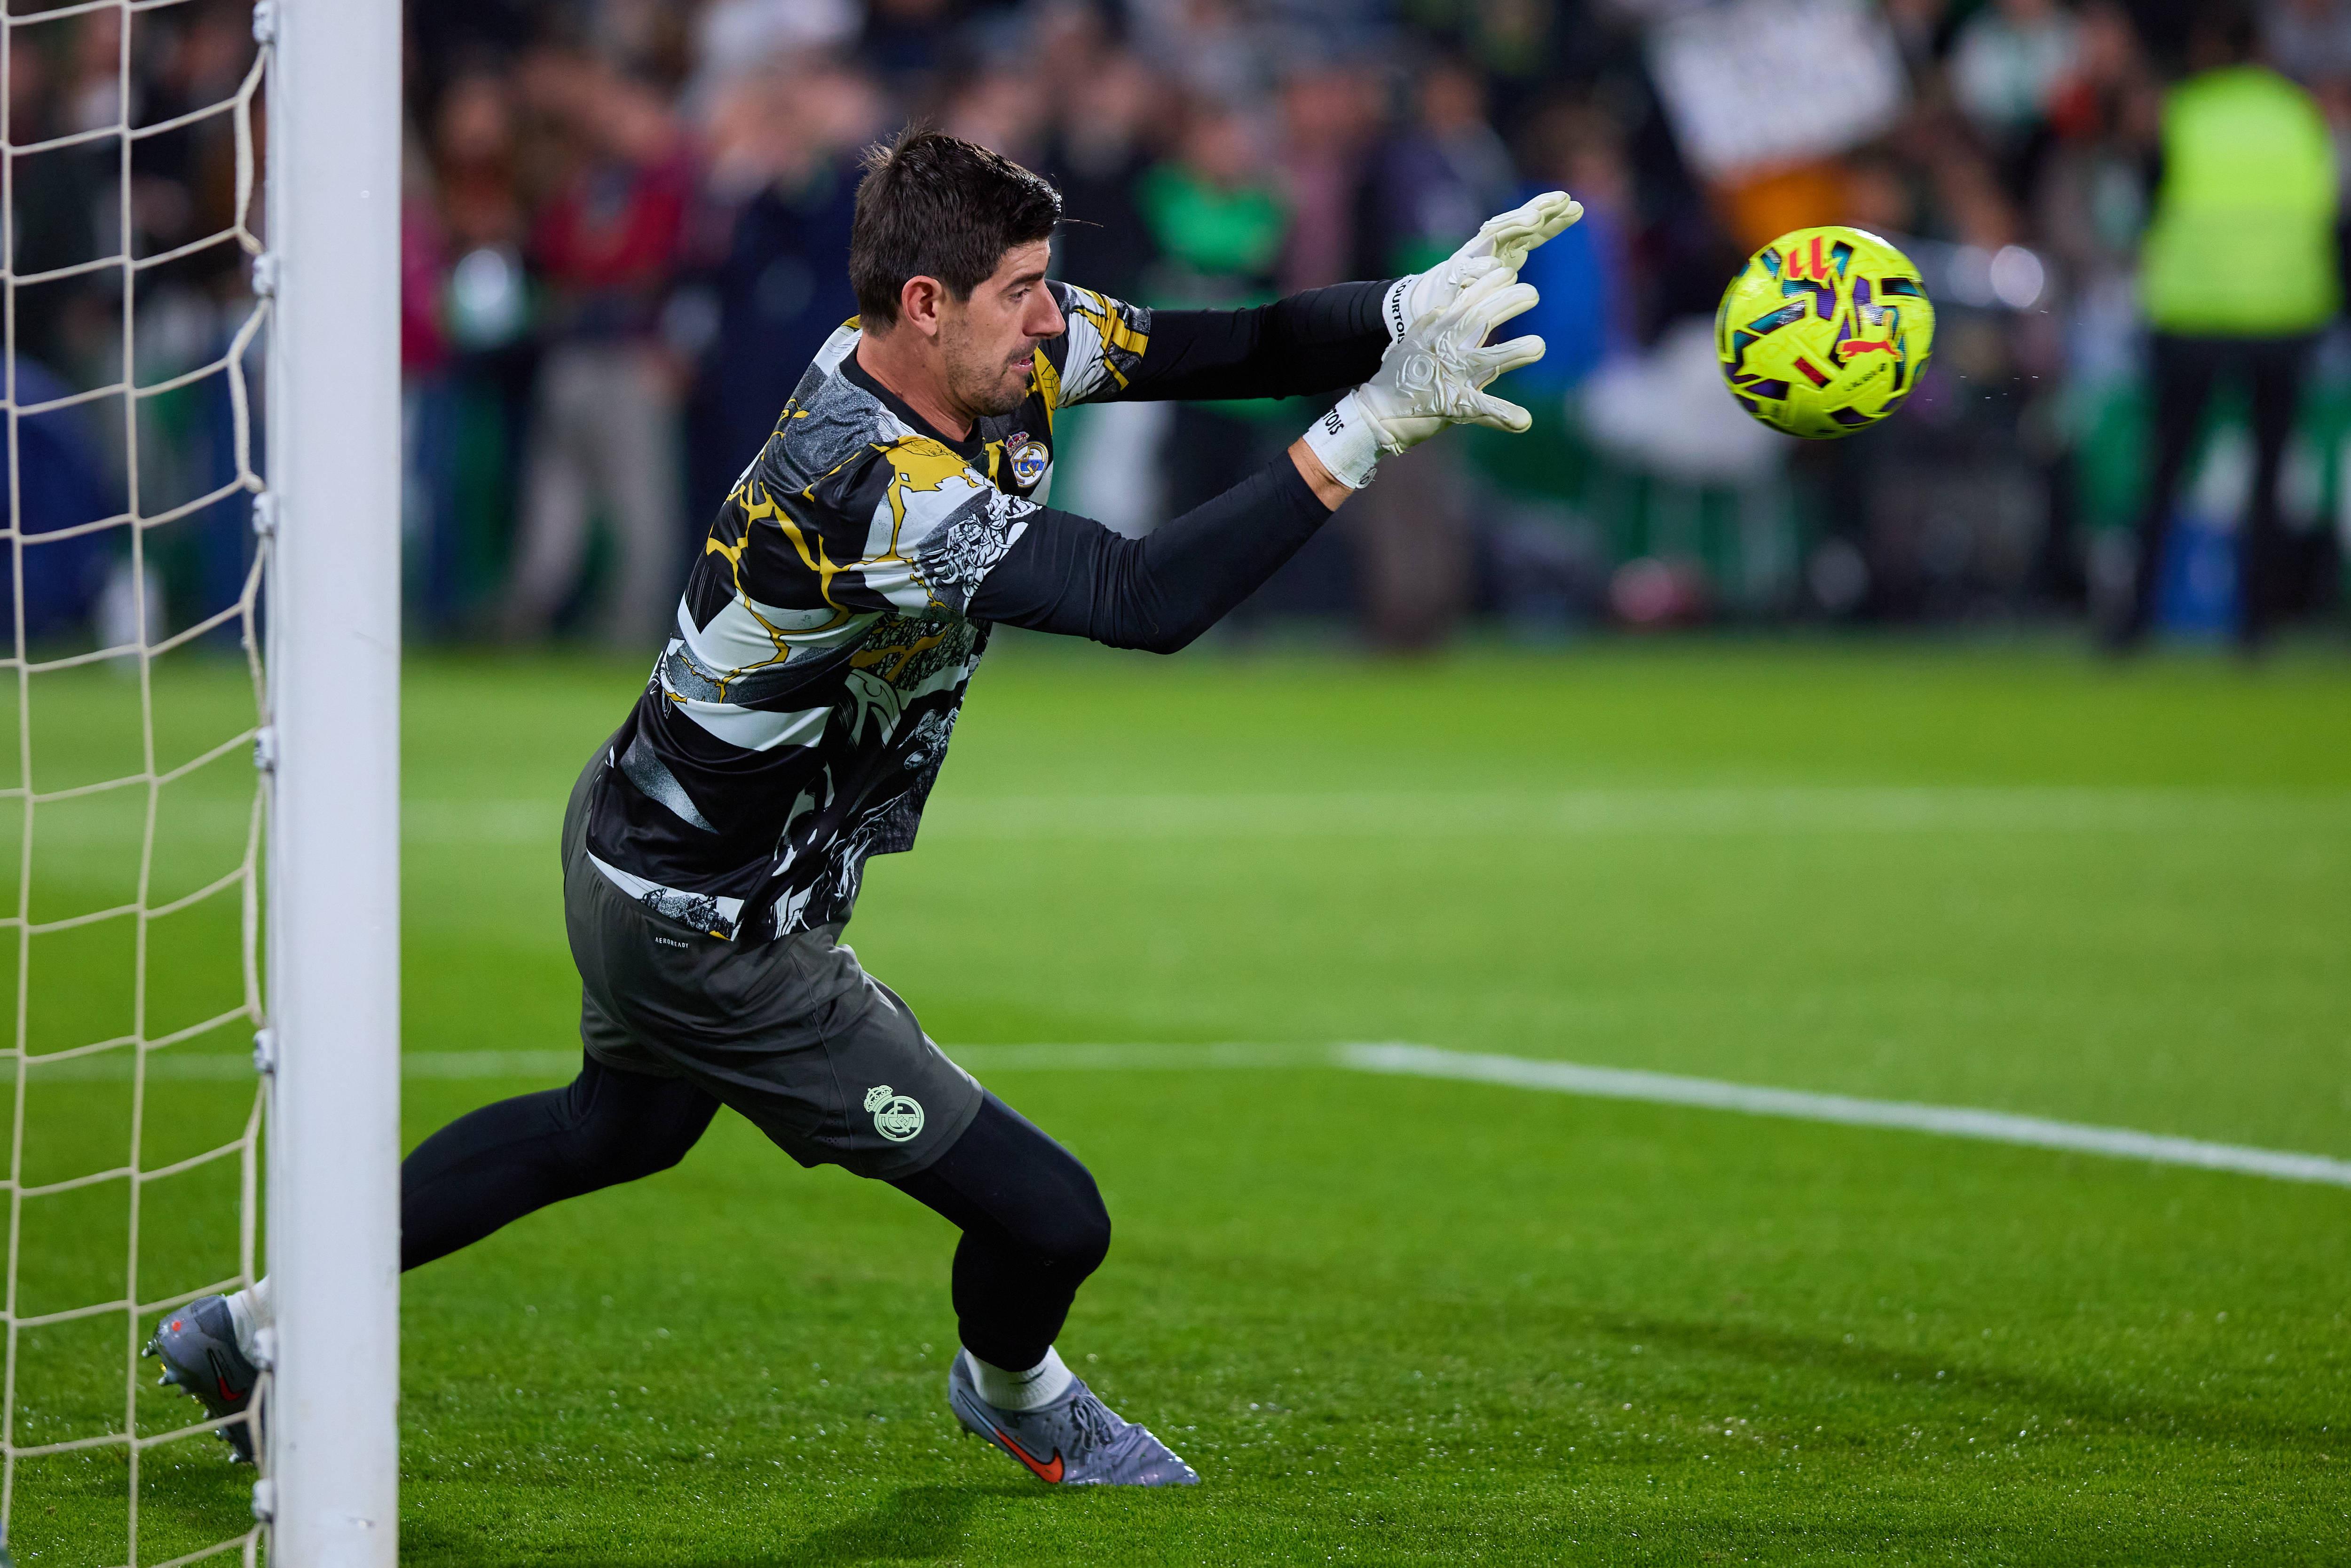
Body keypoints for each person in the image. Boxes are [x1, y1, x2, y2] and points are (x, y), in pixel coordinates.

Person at [149, 128, 1575, 1487]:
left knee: (613, 1132)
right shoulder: (872, 481)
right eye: (1021, 293)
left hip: (643, 842)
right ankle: (1017, 1394)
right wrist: (1375, 425)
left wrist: (1405, 305)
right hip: (712, 928)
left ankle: (256, 1331)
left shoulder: (979, 353)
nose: (1052, 320)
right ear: (924, 302)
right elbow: (1143, 599)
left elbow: (1234, 345)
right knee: (1052, 1219)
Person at [2113, 0, 2340, 651]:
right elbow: (2328, 207)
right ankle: (2258, 627)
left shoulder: (2185, 113)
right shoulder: (2301, 116)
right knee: (2270, 476)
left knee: (2165, 469)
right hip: (2285, 312)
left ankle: (2134, 623)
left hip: (2194, 312)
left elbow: (2147, 203)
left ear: (2210, 48)